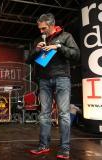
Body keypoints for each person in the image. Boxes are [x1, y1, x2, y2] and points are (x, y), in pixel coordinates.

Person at [27, 13, 80, 159]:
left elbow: (76, 54)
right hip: (44, 79)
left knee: (63, 114)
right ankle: (43, 145)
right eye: (40, 28)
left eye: (43, 28)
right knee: (44, 114)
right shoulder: (39, 39)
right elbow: (28, 60)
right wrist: (36, 50)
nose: (41, 31)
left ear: (51, 25)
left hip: (62, 78)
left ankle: (64, 148)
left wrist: (58, 47)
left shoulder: (66, 36)